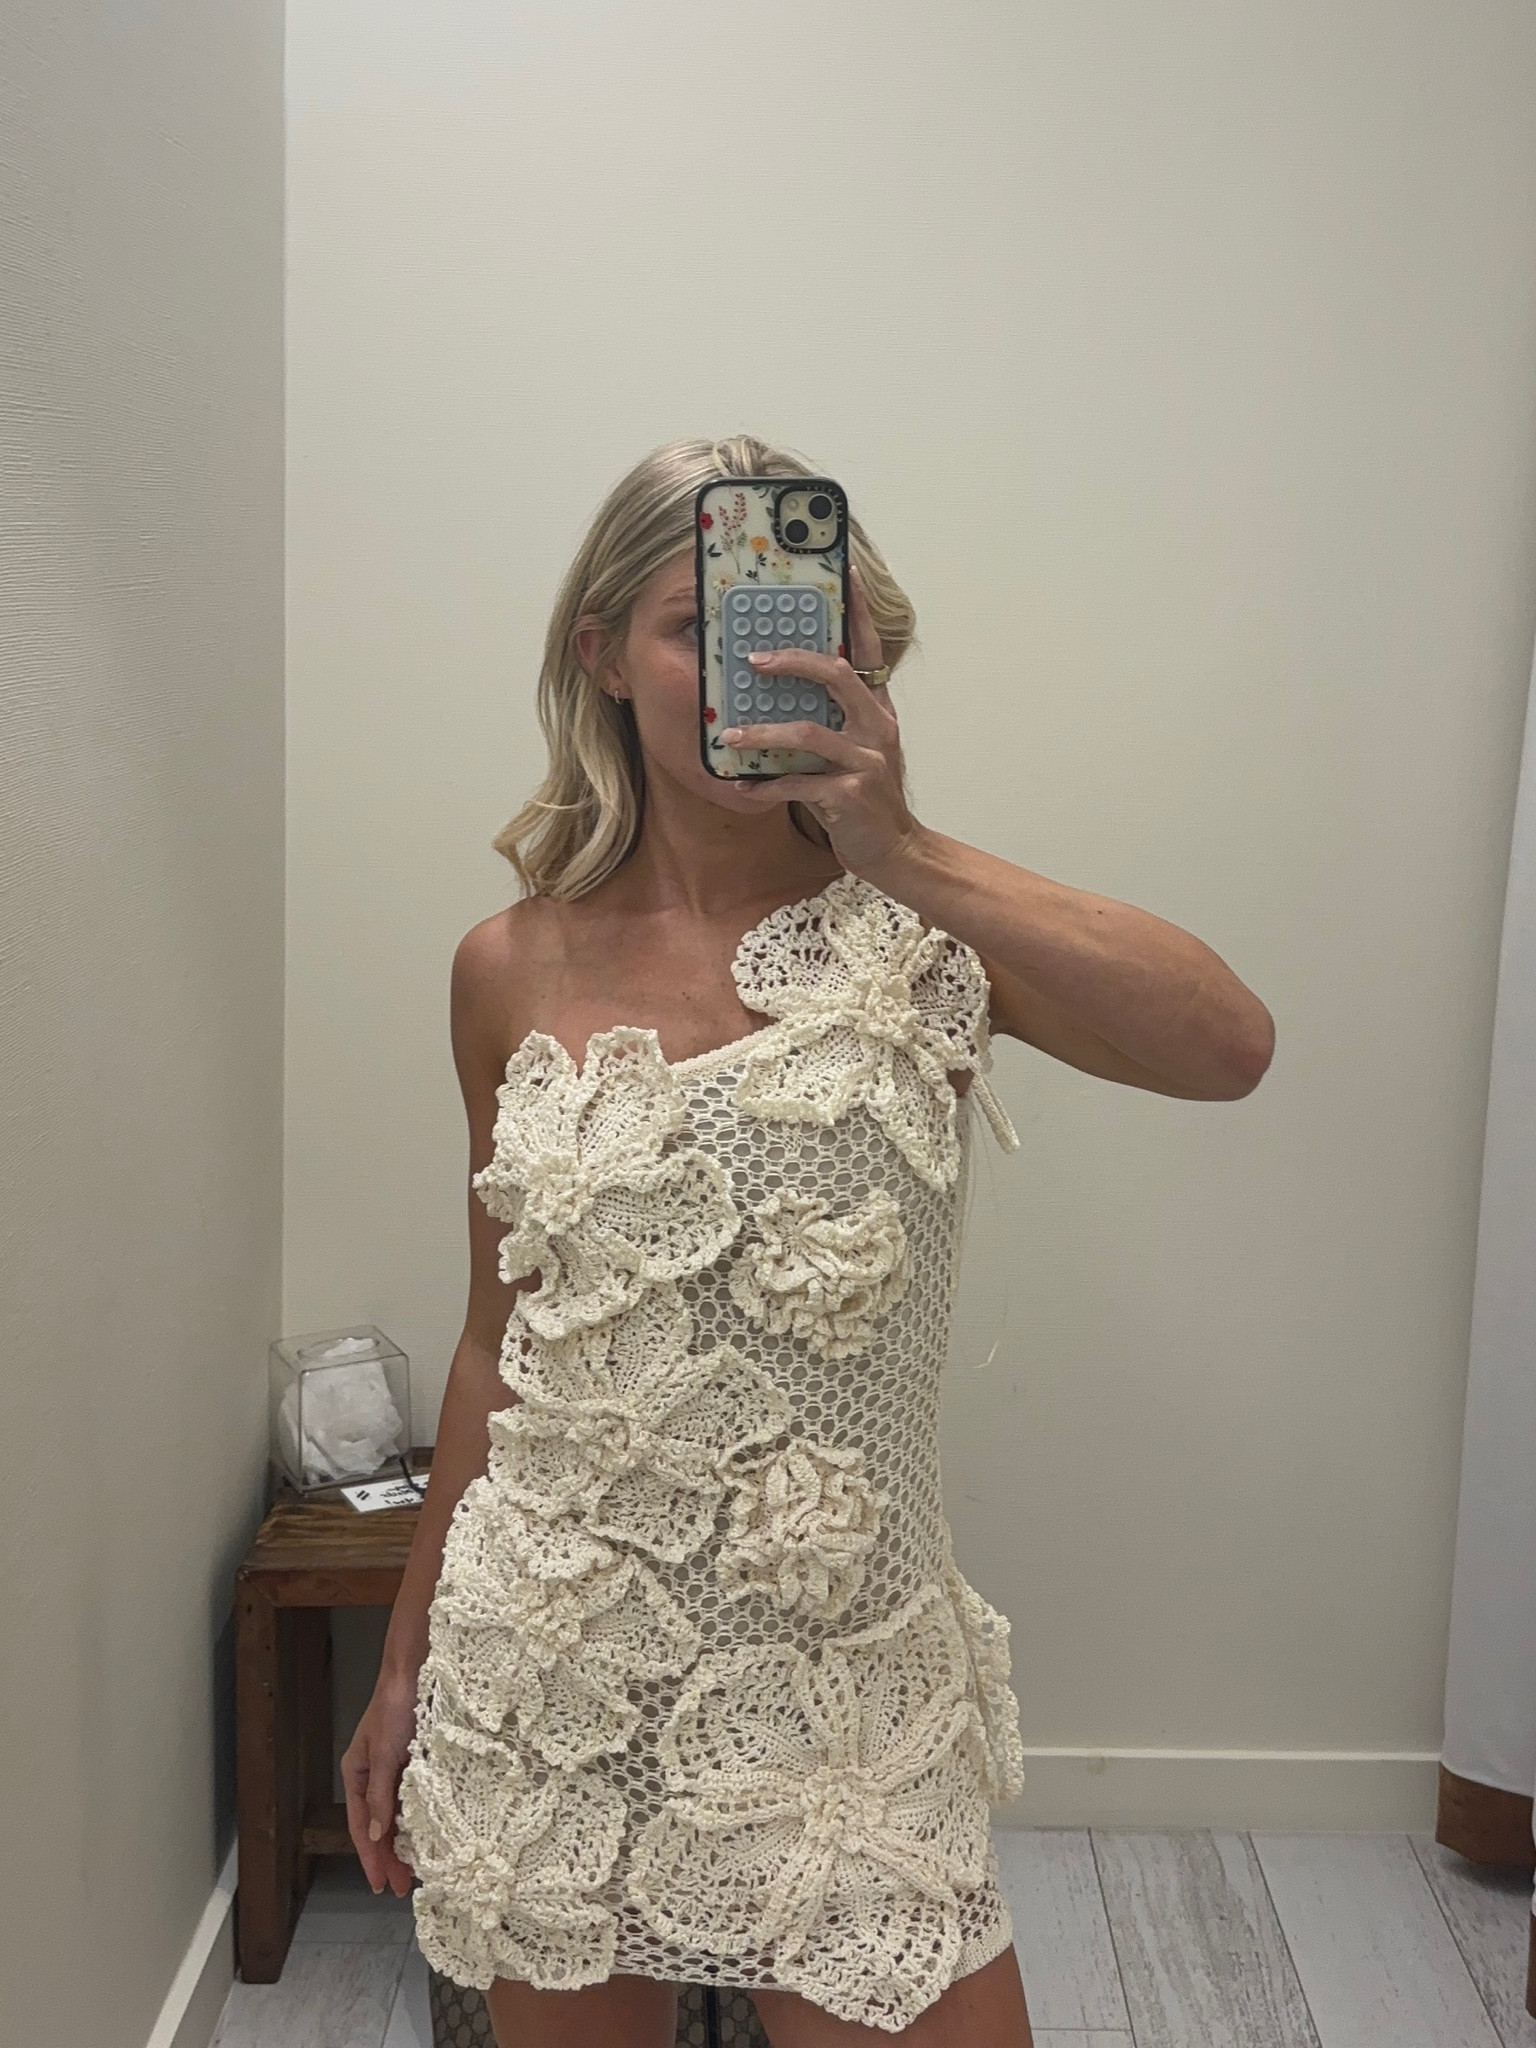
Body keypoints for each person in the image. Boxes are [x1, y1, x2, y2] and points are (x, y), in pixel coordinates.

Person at [341, 433, 1274, 2048]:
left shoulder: (925, 931)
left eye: (793, 625)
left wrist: (901, 848)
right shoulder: (506, 968)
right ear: (602, 656)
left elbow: (1227, 1046)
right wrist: (406, 1662)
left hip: (846, 1695)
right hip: (554, 1665)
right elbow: (503, 1341)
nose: (755, 665)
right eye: (694, 627)